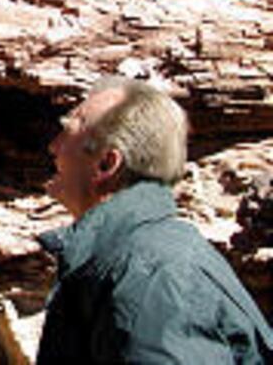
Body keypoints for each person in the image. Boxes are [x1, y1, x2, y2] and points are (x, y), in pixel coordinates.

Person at [36, 76, 273, 364]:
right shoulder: (132, 259)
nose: (53, 146)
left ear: (106, 164)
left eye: (66, 130)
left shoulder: (154, 275)